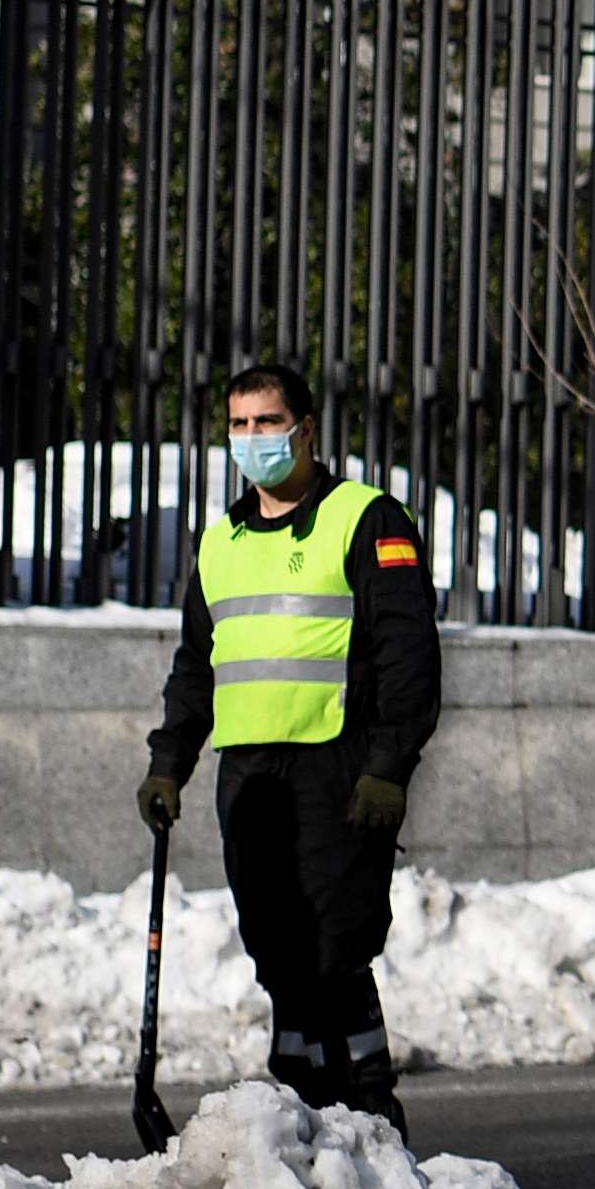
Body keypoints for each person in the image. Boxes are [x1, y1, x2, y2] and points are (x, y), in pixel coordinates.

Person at [140, 361, 440, 1121]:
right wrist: (169, 764)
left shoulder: (366, 518)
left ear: (305, 430)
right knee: (275, 946)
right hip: (250, 777)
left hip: (338, 767)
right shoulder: (222, 540)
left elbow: (408, 655)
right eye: (239, 425)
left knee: (335, 944)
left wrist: (389, 766)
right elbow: (196, 667)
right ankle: (303, 1094)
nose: (253, 439)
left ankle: (367, 1103)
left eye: (268, 422)